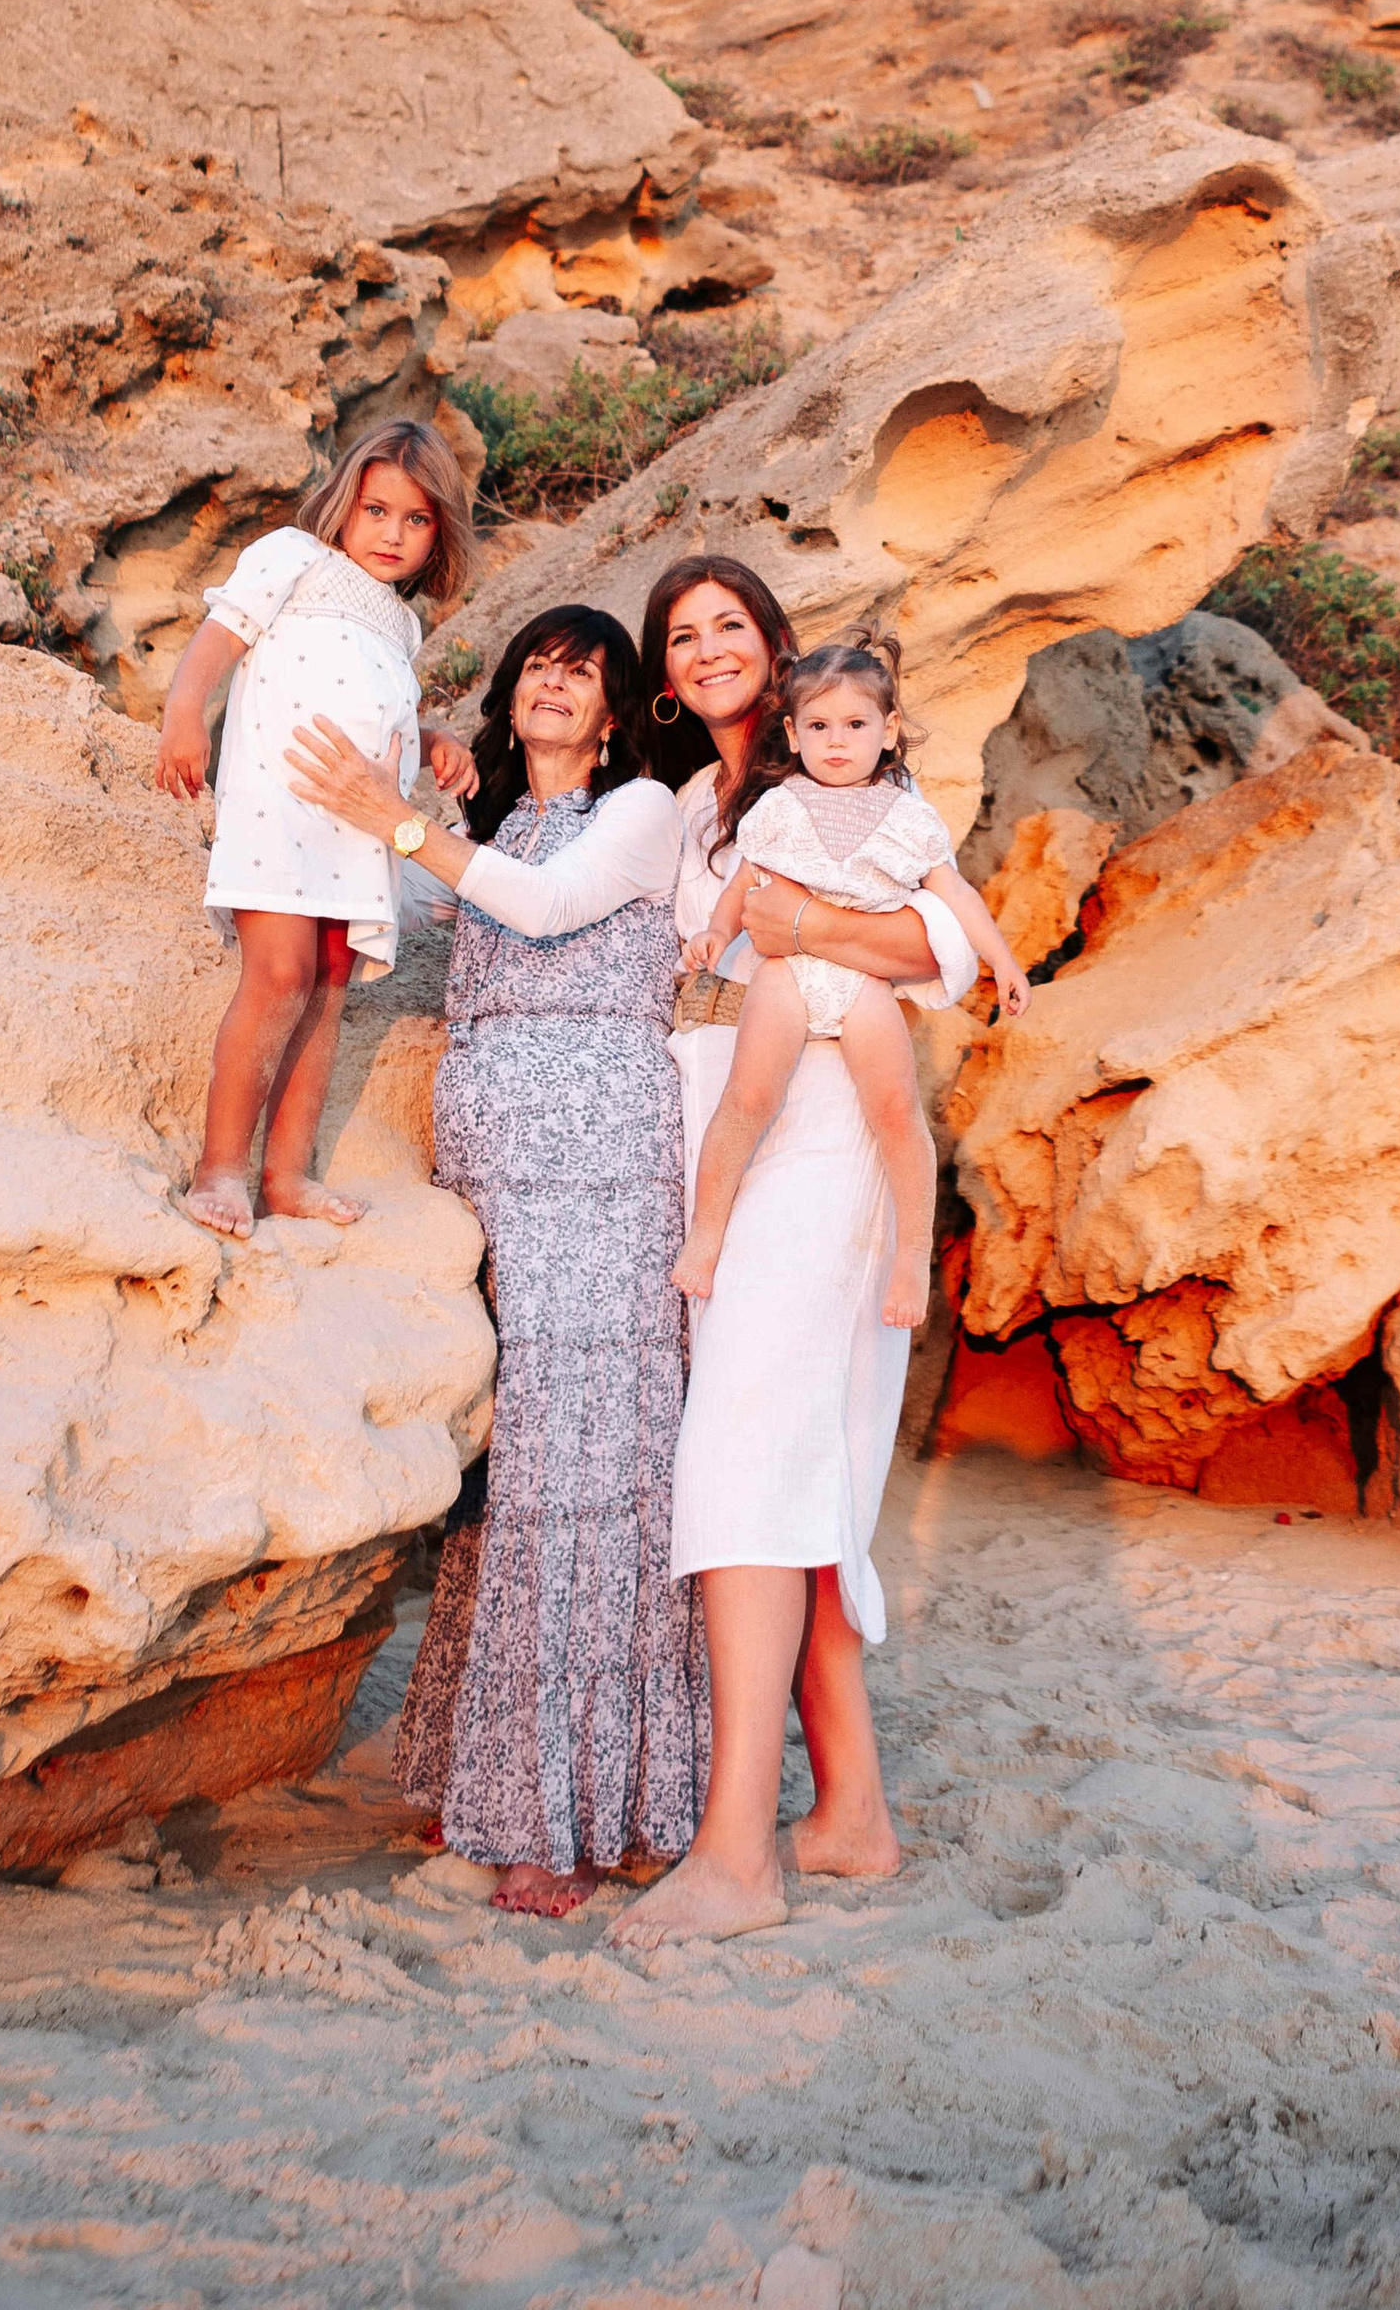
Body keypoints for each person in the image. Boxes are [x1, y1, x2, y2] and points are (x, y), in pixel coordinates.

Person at [283, 607, 703, 1919]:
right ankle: (491, 1784)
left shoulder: (643, 812)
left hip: (604, 1164)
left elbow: (549, 908)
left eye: (583, 671)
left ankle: (571, 1822)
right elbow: (401, 905)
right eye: (537, 667)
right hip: (494, 1169)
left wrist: (401, 819)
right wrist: (409, 792)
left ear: (622, 704)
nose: (555, 685)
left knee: (589, 1470)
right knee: (510, 1477)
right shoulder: (495, 824)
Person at [614, 558, 980, 1949]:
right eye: (683, 633)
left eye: (731, 627)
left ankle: (736, 1858)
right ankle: (852, 1817)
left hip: (823, 1154)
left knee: (744, 1472)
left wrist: (805, 928)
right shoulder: (695, 806)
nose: (708, 648)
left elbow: (940, 943)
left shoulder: (845, 793)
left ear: (777, 647)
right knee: (794, 1479)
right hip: (724, 1143)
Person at [153, 418, 478, 1238]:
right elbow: (215, 642)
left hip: (357, 830)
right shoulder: (290, 558)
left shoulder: (402, 625)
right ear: (344, 502)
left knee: (329, 984)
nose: (393, 534)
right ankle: (220, 1168)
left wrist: (433, 739)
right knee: (281, 973)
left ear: (439, 530)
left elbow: (379, 705)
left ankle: (287, 1174)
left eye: (416, 520)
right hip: (282, 804)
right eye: (377, 510)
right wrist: (184, 713)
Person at [677, 628, 1027, 1335]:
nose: (838, 742)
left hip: (864, 980)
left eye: (856, 725)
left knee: (896, 1111)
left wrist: (1006, 960)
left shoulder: (910, 818)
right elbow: (746, 880)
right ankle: (707, 1232)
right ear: (793, 733)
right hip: (785, 974)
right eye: (820, 726)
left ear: (889, 729)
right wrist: (716, 932)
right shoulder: (778, 805)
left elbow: (957, 897)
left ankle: (908, 1255)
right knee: (747, 1097)